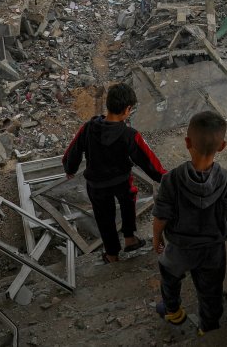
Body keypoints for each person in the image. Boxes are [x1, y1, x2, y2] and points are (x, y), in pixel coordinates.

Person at [151, 111, 227, 334]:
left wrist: (157, 239)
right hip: (213, 251)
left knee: (170, 278)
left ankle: (173, 312)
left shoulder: (171, 180)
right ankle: (208, 328)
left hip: (178, 248)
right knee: (211, 291)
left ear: (187, 142)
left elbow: (160, 217)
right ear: (222, 146)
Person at [62, 83, 166, 263]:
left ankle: (111, 254)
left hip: (96, 184)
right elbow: (148, 161)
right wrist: (165, 178)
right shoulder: (130, 135)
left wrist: (70, 168)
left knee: (104, 217)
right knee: (127, 204)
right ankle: (129, 238)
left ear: (108, 105)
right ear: (127, 109)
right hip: (122, 181)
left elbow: (73, 150)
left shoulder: (88, 128)